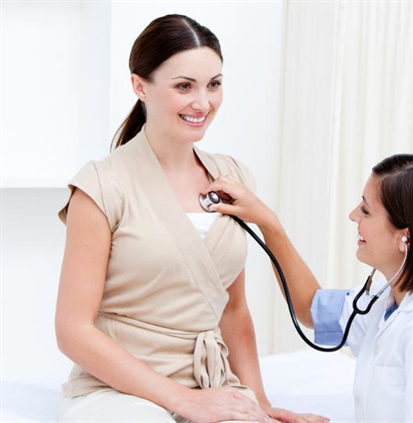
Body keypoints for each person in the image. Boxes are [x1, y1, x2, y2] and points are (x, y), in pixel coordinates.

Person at [55, 14, 328, 423]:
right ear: (140, 86)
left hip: (211, 383)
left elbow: (233, 311)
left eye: (213, 84)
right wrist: (185, 401)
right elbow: (73, 331)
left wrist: (259, 403)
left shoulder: (232, 177)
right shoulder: (101, 186)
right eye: (184, 86)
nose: (203, 103)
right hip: (117, 391)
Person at [204, 154, 413, 422]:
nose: (353, 215)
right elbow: (311, 307)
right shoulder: (388, 301)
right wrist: (268, 223)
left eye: (366, 210)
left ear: (405, 238)